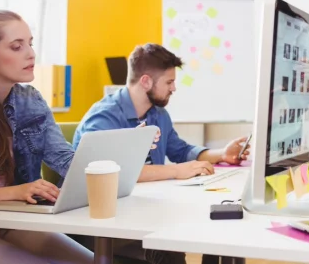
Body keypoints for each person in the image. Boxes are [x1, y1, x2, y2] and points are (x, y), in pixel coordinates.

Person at [71, 43, 250, 264]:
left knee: (216, 225)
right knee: (169, 247)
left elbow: (181, 150)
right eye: (169, 82)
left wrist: (222, 154)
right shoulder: (103, 119)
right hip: (104, 222)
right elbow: (115, 174)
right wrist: (176, 171)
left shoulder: (158, 114)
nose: (174, 88)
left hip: (141, 207)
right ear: (146, 81)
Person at [0, 10, 94, 263]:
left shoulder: (30, 100)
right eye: (16, 46)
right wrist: (16, 191)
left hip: (14, 222)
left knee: (92, 261)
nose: (30, 54)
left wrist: (106, 165)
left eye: (30, 43)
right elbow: (17, 191)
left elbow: (64, 158)